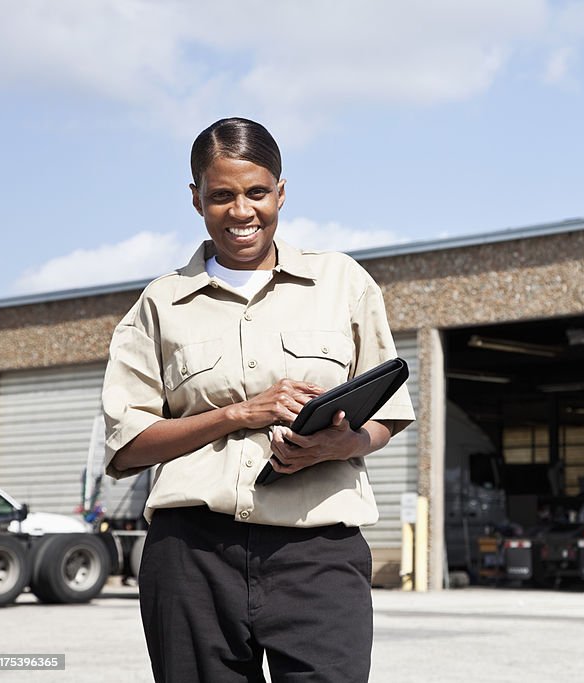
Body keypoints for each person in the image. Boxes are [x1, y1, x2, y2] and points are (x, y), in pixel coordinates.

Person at [101, 117, 414, 682]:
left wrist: (342, 445)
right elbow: (127, 448)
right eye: (221, 195)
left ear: (281, 192)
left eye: (256, 192)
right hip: (193, 558)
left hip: (318, 551)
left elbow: (388, 411)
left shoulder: (343, 283)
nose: (241, 211)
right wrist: (239, 413)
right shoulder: (161, 303)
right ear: (196, 199)